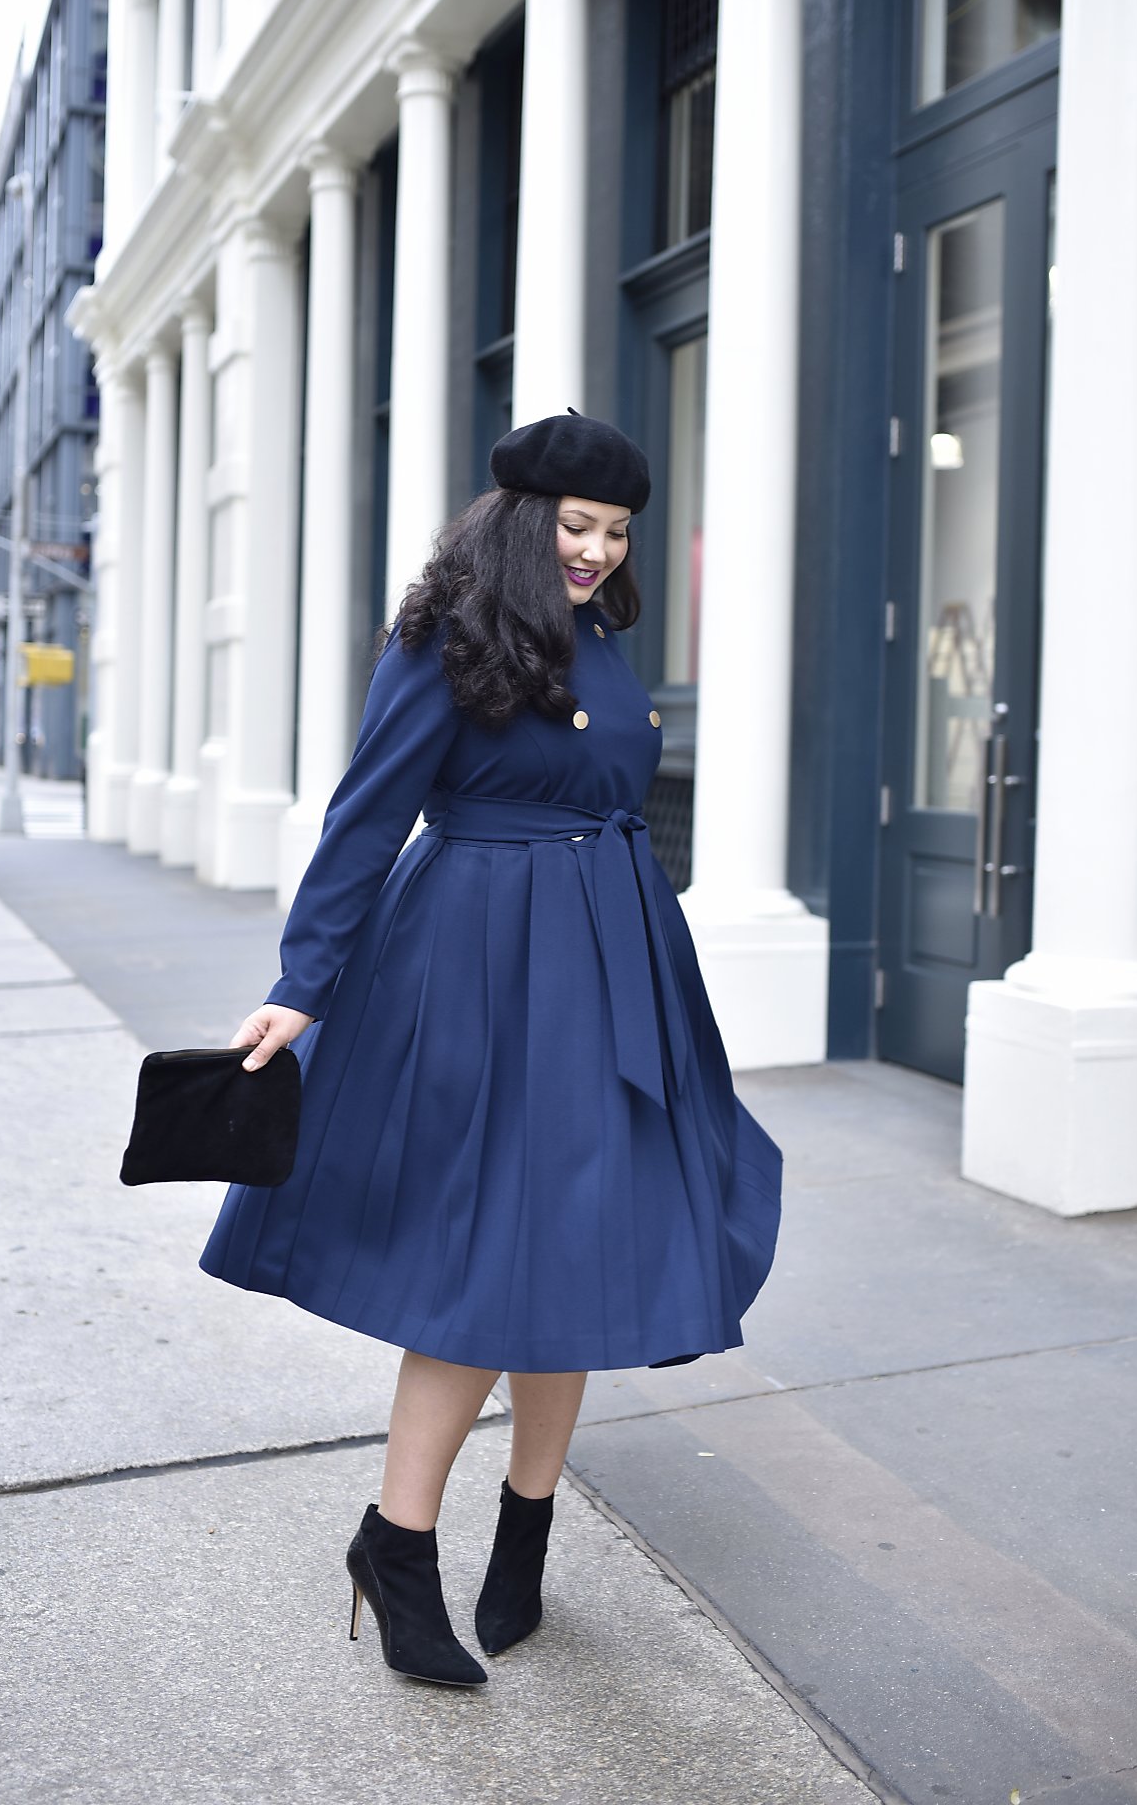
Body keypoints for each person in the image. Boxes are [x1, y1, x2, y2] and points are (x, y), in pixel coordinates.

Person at [201, 409, 783, 1688]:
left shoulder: (612, 641)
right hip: (481, 966)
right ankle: (397, 1544)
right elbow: (367, 815)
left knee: (582, 1251)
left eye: (617, 529)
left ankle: (524, 1538)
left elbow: (615, 799)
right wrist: (301, 985)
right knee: (484, 1265)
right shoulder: (445, 639)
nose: (596, 549)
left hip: (619, 959)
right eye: (576, 526)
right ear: (522, 520)